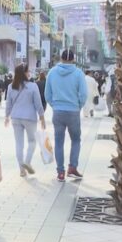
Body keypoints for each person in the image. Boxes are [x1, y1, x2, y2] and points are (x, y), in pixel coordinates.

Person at [45, 49, 87, 182]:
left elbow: (47, 94)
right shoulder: (78, 73)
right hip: (73, 111)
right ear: (73, 59)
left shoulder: (52, 72)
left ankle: (60, 172)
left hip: (58, 111)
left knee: (59, 142)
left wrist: (54, 105)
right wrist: (78, 106)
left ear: (61, 58)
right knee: (76, 140)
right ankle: (72, 168)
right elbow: (83, 94)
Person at [5, 64, 46, 177]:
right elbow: (38, 103)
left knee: (19, 144)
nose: (29, 73)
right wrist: (42, 117)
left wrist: (6, 116)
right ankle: (27, 162)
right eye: (28, 71)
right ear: (24, 73)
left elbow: (8, 103)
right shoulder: (33, 86)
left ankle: (21, 170)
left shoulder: (11, 86)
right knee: (32, 141)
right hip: (30, 117)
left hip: (15, 117)